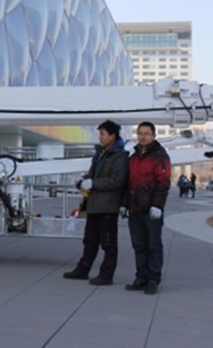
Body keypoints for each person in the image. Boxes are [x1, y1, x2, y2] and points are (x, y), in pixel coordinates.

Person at [63, 120, 128, 285]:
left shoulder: (119, 156)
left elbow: (117, 180)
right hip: (94, 205)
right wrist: (83, 181)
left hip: (107, 206)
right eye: (100, 134)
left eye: (103, 134)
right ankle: (83, 269)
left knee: (108, 243)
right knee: (90, 240)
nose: (100, 137)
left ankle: (106, 275)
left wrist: (93, 183)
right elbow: (94, 175)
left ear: (113, 136)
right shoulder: (100, 154)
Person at [122, 121, 171, 295]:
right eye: (140, 133)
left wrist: (157, 205)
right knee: (139, 245)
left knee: (153, 245)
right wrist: (125, 204)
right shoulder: (133, 157)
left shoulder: (159, 156)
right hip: (135, 209)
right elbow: (128, 183)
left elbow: (163, 183)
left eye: (146, 133)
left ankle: (153, 279)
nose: (143, 136)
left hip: (151, 210)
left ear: (153, 135)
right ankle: (141, 277)